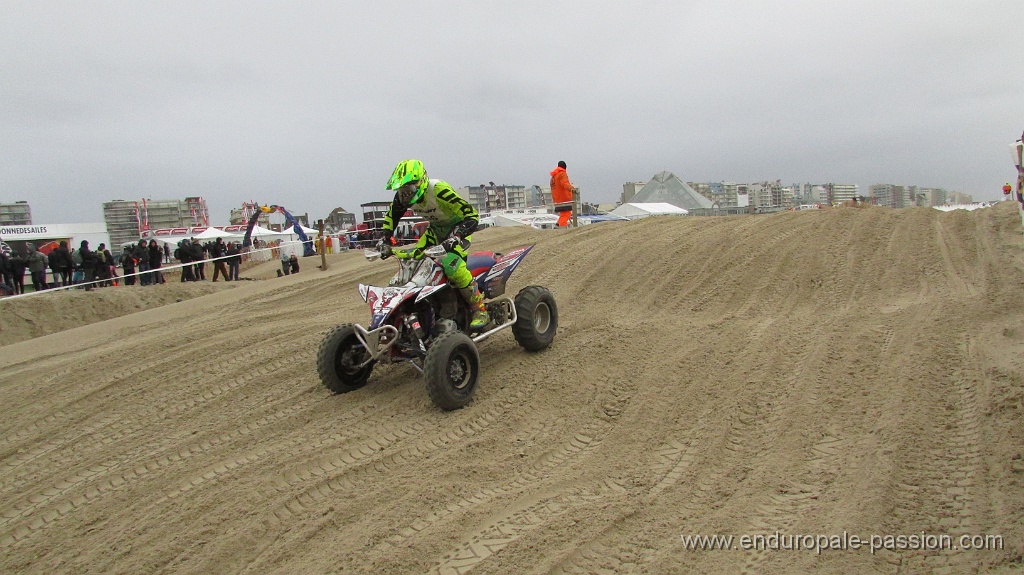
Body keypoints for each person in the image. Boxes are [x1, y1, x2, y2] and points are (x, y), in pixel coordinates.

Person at [377, 159, 489, 329]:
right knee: (413, 260)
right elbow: (392, 216)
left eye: (409, 188)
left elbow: (471, 215)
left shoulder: (438, 190)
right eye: (402, 189)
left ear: (421, 181)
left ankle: (479, 309)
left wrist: (456, 237)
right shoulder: (402, 197)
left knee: (452, 265)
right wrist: (385, 239)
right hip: (435, 231)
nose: (405, 194)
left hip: (457, 230)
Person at [550, 160, 574, 227]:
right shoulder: (562, 174)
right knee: (566, 214)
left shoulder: (553, 177)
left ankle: (557, 225)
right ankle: (562, 228)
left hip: (557, 200)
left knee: (563, 214)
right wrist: (572, 189)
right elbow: (564, 183)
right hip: (564, 199)